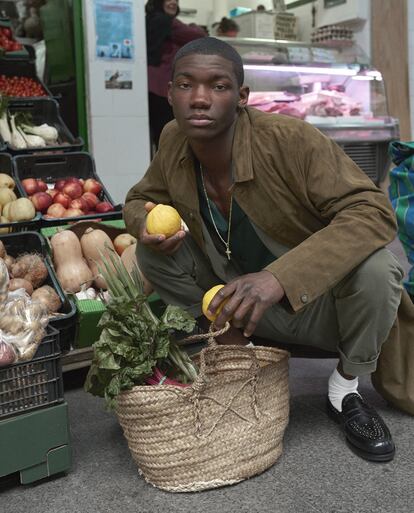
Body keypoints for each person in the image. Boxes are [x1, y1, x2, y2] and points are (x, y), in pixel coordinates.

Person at [124, 37, 410, 462]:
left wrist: (279, 278)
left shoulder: (290, 141)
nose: (199, 99)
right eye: (185, 85)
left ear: (241, 97)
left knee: (377, 268)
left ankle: (345, 390)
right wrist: (144, 225)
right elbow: (136, 199)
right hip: (234, 303)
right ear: (170, 94)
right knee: (151, 255)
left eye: (217, 86)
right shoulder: (173, 140)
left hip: (317, 308)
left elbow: (372, 212)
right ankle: (235, 347)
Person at [145, 0, 205, 150]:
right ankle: (169, 171)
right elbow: (198, 36)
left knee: (159, 138)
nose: (173, 2)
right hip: (161, 89)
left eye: (176, 0)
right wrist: (193, 26)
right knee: (168, 137)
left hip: (152, 87)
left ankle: (162, 169)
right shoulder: (167, 22)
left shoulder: (150, 19)